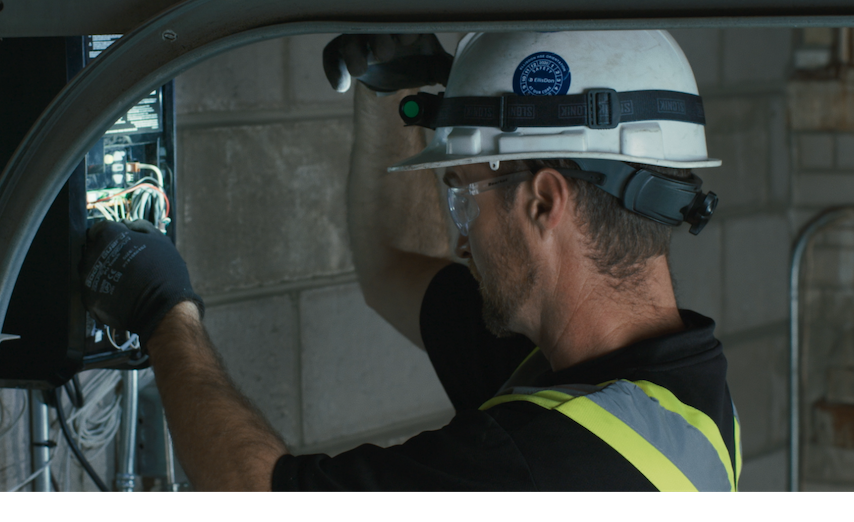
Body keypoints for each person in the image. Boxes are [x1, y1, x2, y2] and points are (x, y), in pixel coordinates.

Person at [78, 29, 741, 491]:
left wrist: (163, 314)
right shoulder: (663, 396)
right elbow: (396, 263)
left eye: (465, 200)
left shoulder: (545, 460)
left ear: (545, 202)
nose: (459, 243)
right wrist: (396, 90)